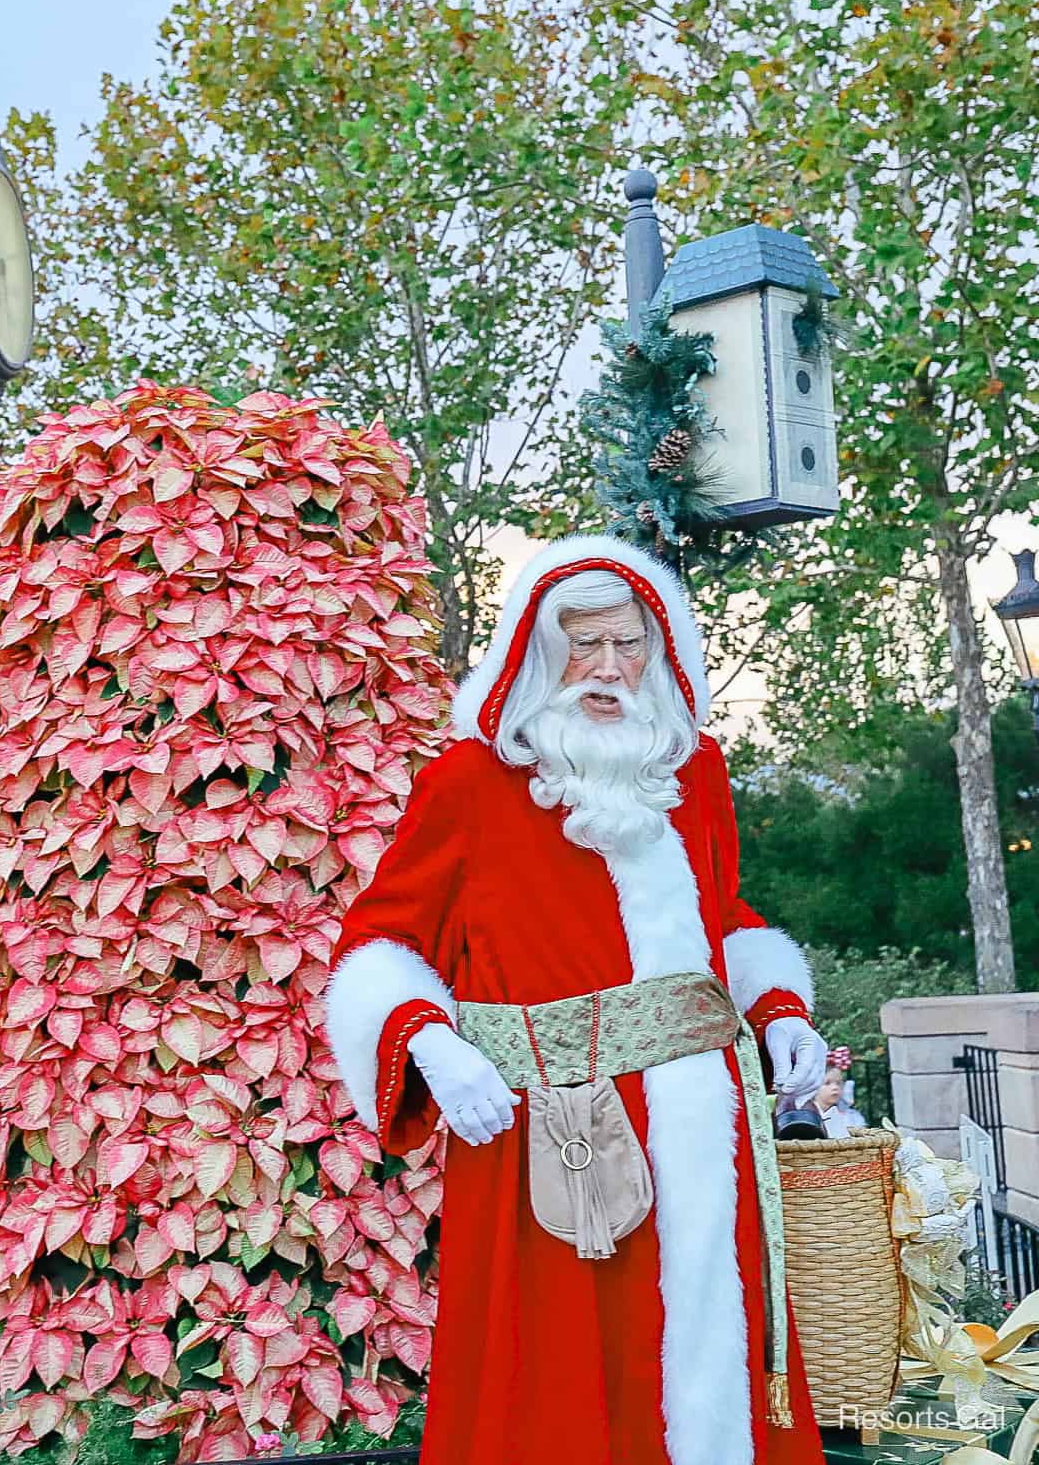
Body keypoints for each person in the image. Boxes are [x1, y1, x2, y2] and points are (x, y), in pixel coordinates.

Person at [321, 534, 830, 1465]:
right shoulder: (468, 783)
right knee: (558, 1385)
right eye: (580, 643)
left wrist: (779, 1005)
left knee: (707, 1349)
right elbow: (380, 939)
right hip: (550, 1134)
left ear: (661, 648)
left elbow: (726, 915)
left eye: (627, 643)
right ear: (536, 650)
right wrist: (429, 1039)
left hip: (703, 1125)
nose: (605, 667)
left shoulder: (697, 773)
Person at [814, 1055, 866, 1139]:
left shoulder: (852, 1117)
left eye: (839, 1083)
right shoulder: (809, 1115)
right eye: (827, 1083)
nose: (835, 1087)